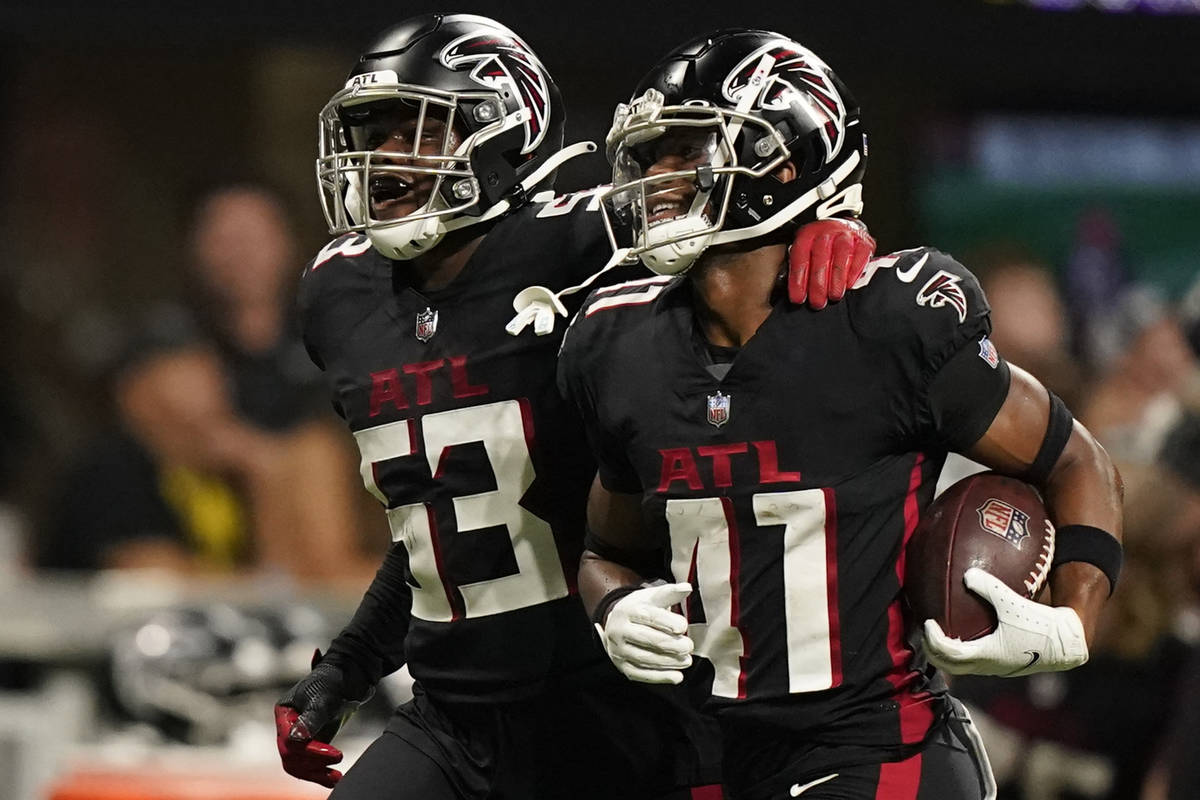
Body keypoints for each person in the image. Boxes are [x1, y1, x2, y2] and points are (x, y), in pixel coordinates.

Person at [274, 13, 877, 800]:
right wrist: (348, 668)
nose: (382, 159)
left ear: (503, 132)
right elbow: (438, 519)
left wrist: (832, 224)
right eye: (371, 133)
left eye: (413, 131)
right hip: (454, 716)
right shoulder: (337, 295)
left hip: (624, 700)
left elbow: (743, 197)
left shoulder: (593, 244)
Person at [559, 29, 1124, 800]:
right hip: (708, 756)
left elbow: (1076, 461)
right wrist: (614, 603)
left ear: (786, 164)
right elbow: (603, 546)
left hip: (879, 744)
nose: (658, 176)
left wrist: (1075, 622)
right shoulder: (615, 345)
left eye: (687, 151)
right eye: (651, 153)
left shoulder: (886, 321)